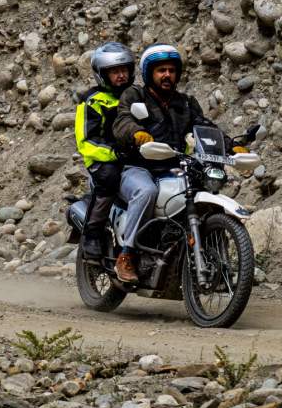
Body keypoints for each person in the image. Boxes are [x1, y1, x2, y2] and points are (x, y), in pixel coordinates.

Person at [109, 44, 246, 283]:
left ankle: (206, 259)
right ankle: (127, 254)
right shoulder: (135, 95)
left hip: (173, 167)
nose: (167, 75)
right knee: (146, 191)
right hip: (137, 167)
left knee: (199, 192)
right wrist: (136, 134)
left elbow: (205, 128)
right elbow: (122, 121)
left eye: (172, 70)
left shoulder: (186, 102)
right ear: (149, 73)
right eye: (161, 70)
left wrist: (231, 146)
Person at [75, 42, 135, 258]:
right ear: (102, 74)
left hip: (133, 155)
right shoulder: (92, 102)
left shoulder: (136, 96)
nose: (121, 75)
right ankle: (92, 232)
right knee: (109, 178)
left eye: (124, 70)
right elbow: (86, 142)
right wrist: (113, 153)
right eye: (114, 71)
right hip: (102, 159)